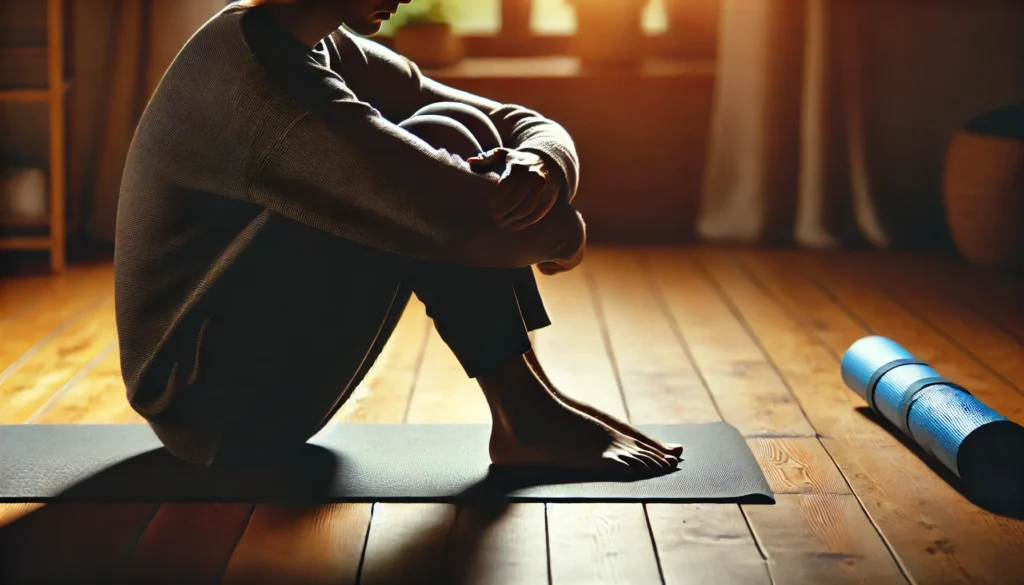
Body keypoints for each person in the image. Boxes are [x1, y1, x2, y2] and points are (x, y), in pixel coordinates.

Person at [114, 0, 683, 473]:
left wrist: (543, 164)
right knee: (428, 163)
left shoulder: (318, 42)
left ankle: (532, 405)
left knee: (463, 135)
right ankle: (527, 417)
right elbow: (446, 213)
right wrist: (568, 234)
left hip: (245, 387)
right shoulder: (260, 80)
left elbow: (514, 121)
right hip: (207, 407)